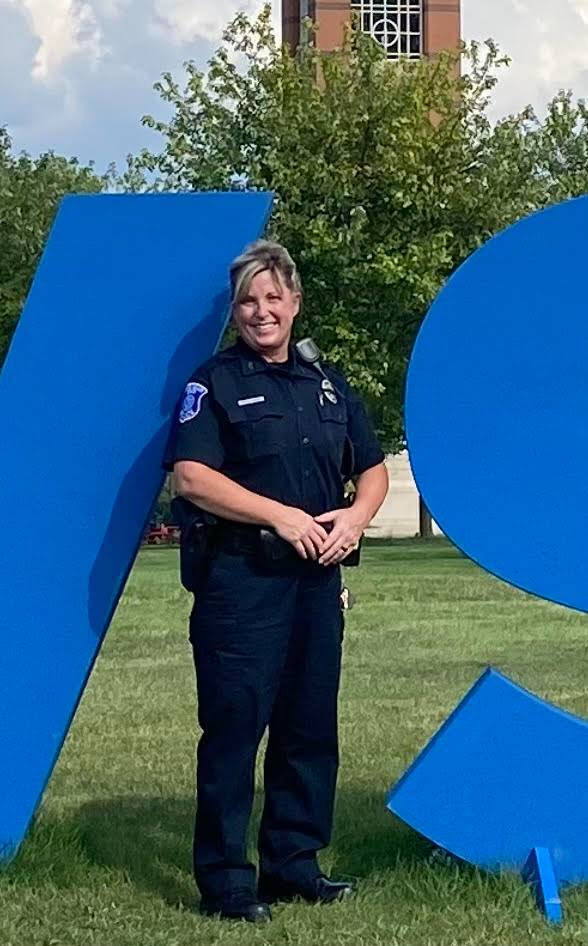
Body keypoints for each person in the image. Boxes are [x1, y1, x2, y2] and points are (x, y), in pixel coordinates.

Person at [163, 241, 389, 923]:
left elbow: (373, 468)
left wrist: (355, 516)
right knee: (235, 729)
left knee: (309, 729)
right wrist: (281, 517)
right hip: (242, 582)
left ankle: (294, 867)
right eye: (248, 301)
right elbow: (192, 477)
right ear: (234, 312)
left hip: (317, 586)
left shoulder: (327, 384)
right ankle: (227, 883)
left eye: (273, 298)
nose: (262, 311)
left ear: (294, 303)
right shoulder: (215, 382)